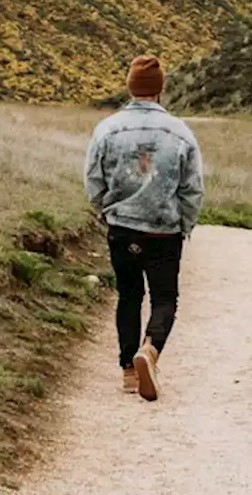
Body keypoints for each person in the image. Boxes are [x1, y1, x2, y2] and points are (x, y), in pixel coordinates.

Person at [84, 55, 204, 402]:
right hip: (164, 230)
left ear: (130, 86)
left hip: (122, 226)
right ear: (160, 89)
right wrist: (185, 222)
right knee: (165, 298)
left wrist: (104, 209)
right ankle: (150, 350)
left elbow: (93, 178)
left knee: (129, 295)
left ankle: (127, 371)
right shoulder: (181, 132)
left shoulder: (107, 128)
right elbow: (192, 187)